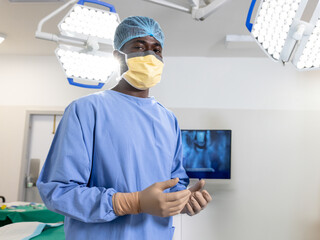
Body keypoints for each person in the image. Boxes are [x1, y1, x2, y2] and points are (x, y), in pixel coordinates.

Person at [37, 16, 212, 240]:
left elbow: (175, 183)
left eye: (156, 50)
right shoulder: (87, 110)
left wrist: (184, 200)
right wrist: (130, 202)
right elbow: (57, 191)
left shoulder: (168, 120)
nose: (150, 56)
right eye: (139, 47)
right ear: (118, 56)